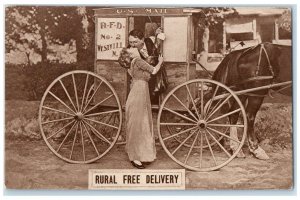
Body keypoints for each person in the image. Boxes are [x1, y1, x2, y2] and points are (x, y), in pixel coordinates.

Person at [118, 47, 164, 169]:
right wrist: (160, 61)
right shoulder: (137, 61)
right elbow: (153, 71)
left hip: (139, 93)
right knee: (138, 125)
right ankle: (135, 157)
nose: (135, 47)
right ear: (131, 53)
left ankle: (143, 155)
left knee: (141, 124)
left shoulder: (133, 63)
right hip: (139, 95)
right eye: (131, 48)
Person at [128, 29, 168, 105]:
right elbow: (130, 69)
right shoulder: (130, 50)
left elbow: (158, 41)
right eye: (130, 42)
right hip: (143, 78)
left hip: (155, 73)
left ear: (142, 39)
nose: (132, 45)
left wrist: (158, 34)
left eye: (135, 42)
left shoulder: (149, 41)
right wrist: (146, 62)